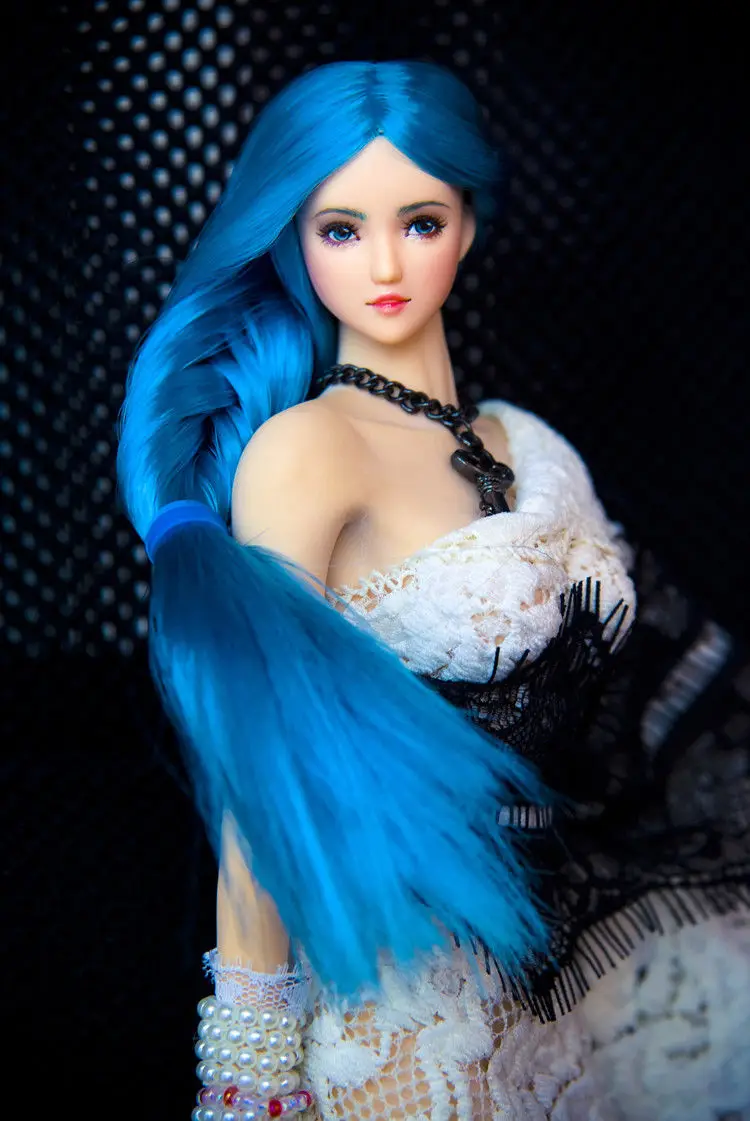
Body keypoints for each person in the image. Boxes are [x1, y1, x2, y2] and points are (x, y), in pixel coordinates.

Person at [117, 60, 750, 1120]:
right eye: (341, 229)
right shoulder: (308, 453)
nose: (385, 265)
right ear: (294, 239)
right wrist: (250, 1054)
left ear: (467, 222)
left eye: (419, 222)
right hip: (414, 985)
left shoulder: (525, 444)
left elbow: (657, 697)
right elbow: (262, 769)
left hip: (567, 942)